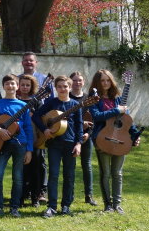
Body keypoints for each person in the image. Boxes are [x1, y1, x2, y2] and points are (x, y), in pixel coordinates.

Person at [88, 69, 141, 214]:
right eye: (102, 81)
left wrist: (135, 135)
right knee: (105, 173)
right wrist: (116, 110)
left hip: (120, 139)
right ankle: (108, 205)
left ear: (111, 81)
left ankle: (117, 204)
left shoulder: (118, 98)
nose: (105, 83)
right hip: (102, 138)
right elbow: (96, 116)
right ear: (97, 82)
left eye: (107, 80)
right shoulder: (94, 98)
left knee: (117, 173)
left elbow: (127, 120)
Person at [0, 74, 33, 218]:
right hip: (1, 144)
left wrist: (29, 150)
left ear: (17, 86)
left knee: (17, 177)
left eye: (13, 84)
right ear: (3, 86)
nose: (10, 86)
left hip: (20, 143)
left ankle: (14, 207)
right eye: (7, 84)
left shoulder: (23, 106)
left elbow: (29, 129)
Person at [33, 75, 83, 217]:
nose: (62, 89)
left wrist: (78, 143)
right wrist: (45, 129)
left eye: (65, 86)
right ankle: (52, 206)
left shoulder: (75, 105)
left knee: (69, 176)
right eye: (59, 86)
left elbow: (79, 126)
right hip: (54, 143)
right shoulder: (51, 103)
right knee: (53, 175)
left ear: (70, 87)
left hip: (70, 143)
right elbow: (36, 116)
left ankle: (66, 205)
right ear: (56, 88)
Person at [69, 71, 97, 206]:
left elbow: (94, 118)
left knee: (87, 165)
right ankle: (70, 194)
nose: (77, 83)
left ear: (83, 82)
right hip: (70, 136)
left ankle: (89, 195)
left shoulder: (89, 98)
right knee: (71, 166)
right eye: (74, 80)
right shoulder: (66, 97)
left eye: (79, 80)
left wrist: (88, 133)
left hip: (85, 137)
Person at [17, 74, 44, 207]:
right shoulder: (15, 100)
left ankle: (35, 198)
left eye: (28, 85)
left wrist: (34, 116)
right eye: (23, 85)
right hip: (20, 139)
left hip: (35, 139)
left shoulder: (37, 101)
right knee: (21, 170)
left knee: (36, 169)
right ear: (18, 85)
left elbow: (42, 119)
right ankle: (20, 197)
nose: (25, 87)